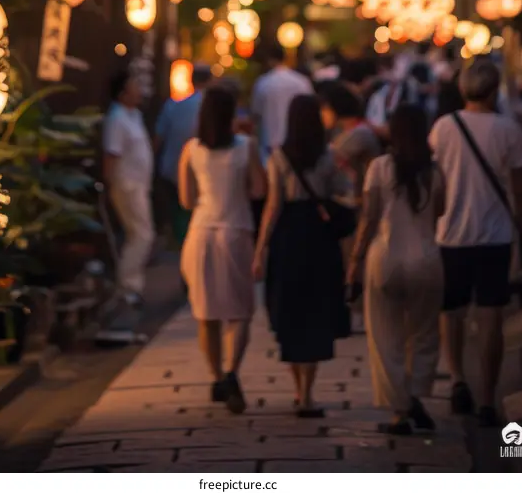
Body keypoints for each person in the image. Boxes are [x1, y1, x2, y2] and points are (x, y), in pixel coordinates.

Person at [429, 56, 522, 427]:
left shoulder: (443, 128)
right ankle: (488, 398)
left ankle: (458, 379)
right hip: (495, 236)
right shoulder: (507, 130)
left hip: (451, 234)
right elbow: (520, 191)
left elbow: (435, 182)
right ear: (493, 91)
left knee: (452, 311)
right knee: (491, 317)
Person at [347, 105, 445, 435]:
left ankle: (399, 412)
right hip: (427, 261)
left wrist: (354, 263)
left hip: (385, 259)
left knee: (385, 337)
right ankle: (415, 393)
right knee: (424, 334)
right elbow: (439, 213)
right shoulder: (435, 173)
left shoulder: (379, 168)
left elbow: (368, 219)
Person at [253, 94, 350, 418]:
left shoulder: (279, 157)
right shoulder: (327, 156)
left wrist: (261, 248)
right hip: (319, 238)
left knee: (291, 312)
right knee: (315, 312)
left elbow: (272, 206)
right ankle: (308, 393)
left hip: (288, 236)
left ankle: (298, 390)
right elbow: (344, 189)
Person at [178, 86, 266, 414]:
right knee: (239, 311)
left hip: (200, 233)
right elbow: (259, 190)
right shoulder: (247, 147)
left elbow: (186, 200)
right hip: (236, 231)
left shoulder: (191, 149)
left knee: (207, 314)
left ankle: (216, 378)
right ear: (232, 114)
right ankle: (232, 372)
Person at [102, 64, 155, 311]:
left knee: (139, 234)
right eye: (135, 87)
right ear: (123, 93)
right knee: (142, 234)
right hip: (127, 185)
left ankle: (132, 285)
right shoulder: (117, 118)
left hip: (138, 185)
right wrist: (109, 184)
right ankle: (128, 287)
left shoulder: (133, 115)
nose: (139, 91)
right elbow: (111, 155)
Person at [155, 62, 212, 244]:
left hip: (172, 167)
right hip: (204, 169)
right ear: (210, 81)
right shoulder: (211, 108)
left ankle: (181, 244)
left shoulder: (174, 106)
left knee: (179, 209)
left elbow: (158, 137)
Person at [320, 81, 382, 202]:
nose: (322, 114)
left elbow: (329, 160)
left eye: (324, 109)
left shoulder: (359, 134)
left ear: (336, 108)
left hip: (361, 202)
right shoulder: (346, 131)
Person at [251, 42, 313, 161]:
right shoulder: (301, 81)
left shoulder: (263, 83)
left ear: (269, 60)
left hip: (270, 142)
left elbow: (255, 114)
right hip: (298, 141)